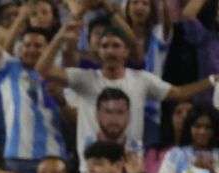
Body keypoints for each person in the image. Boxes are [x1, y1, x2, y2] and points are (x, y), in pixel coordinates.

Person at [38, 23, 216, 160]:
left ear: (126, 52)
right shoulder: (85, 79)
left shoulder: (141, 79)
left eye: (115, 46)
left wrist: (213, 80)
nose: (110, 51)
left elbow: (179, 93)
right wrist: (60, 36)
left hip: (129, 170)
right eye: (105, 46)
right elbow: (43, 70)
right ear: (98, 51)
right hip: (91, 170)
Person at [0, 28, 68, 173]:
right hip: (15, 155)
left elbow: (73, 120)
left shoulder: (61, 76)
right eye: (27, 45)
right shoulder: (7, 69)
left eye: (38, 46)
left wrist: (61, 100)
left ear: (48, 49)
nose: (32, 49)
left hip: (52, 155)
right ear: (20, 49)